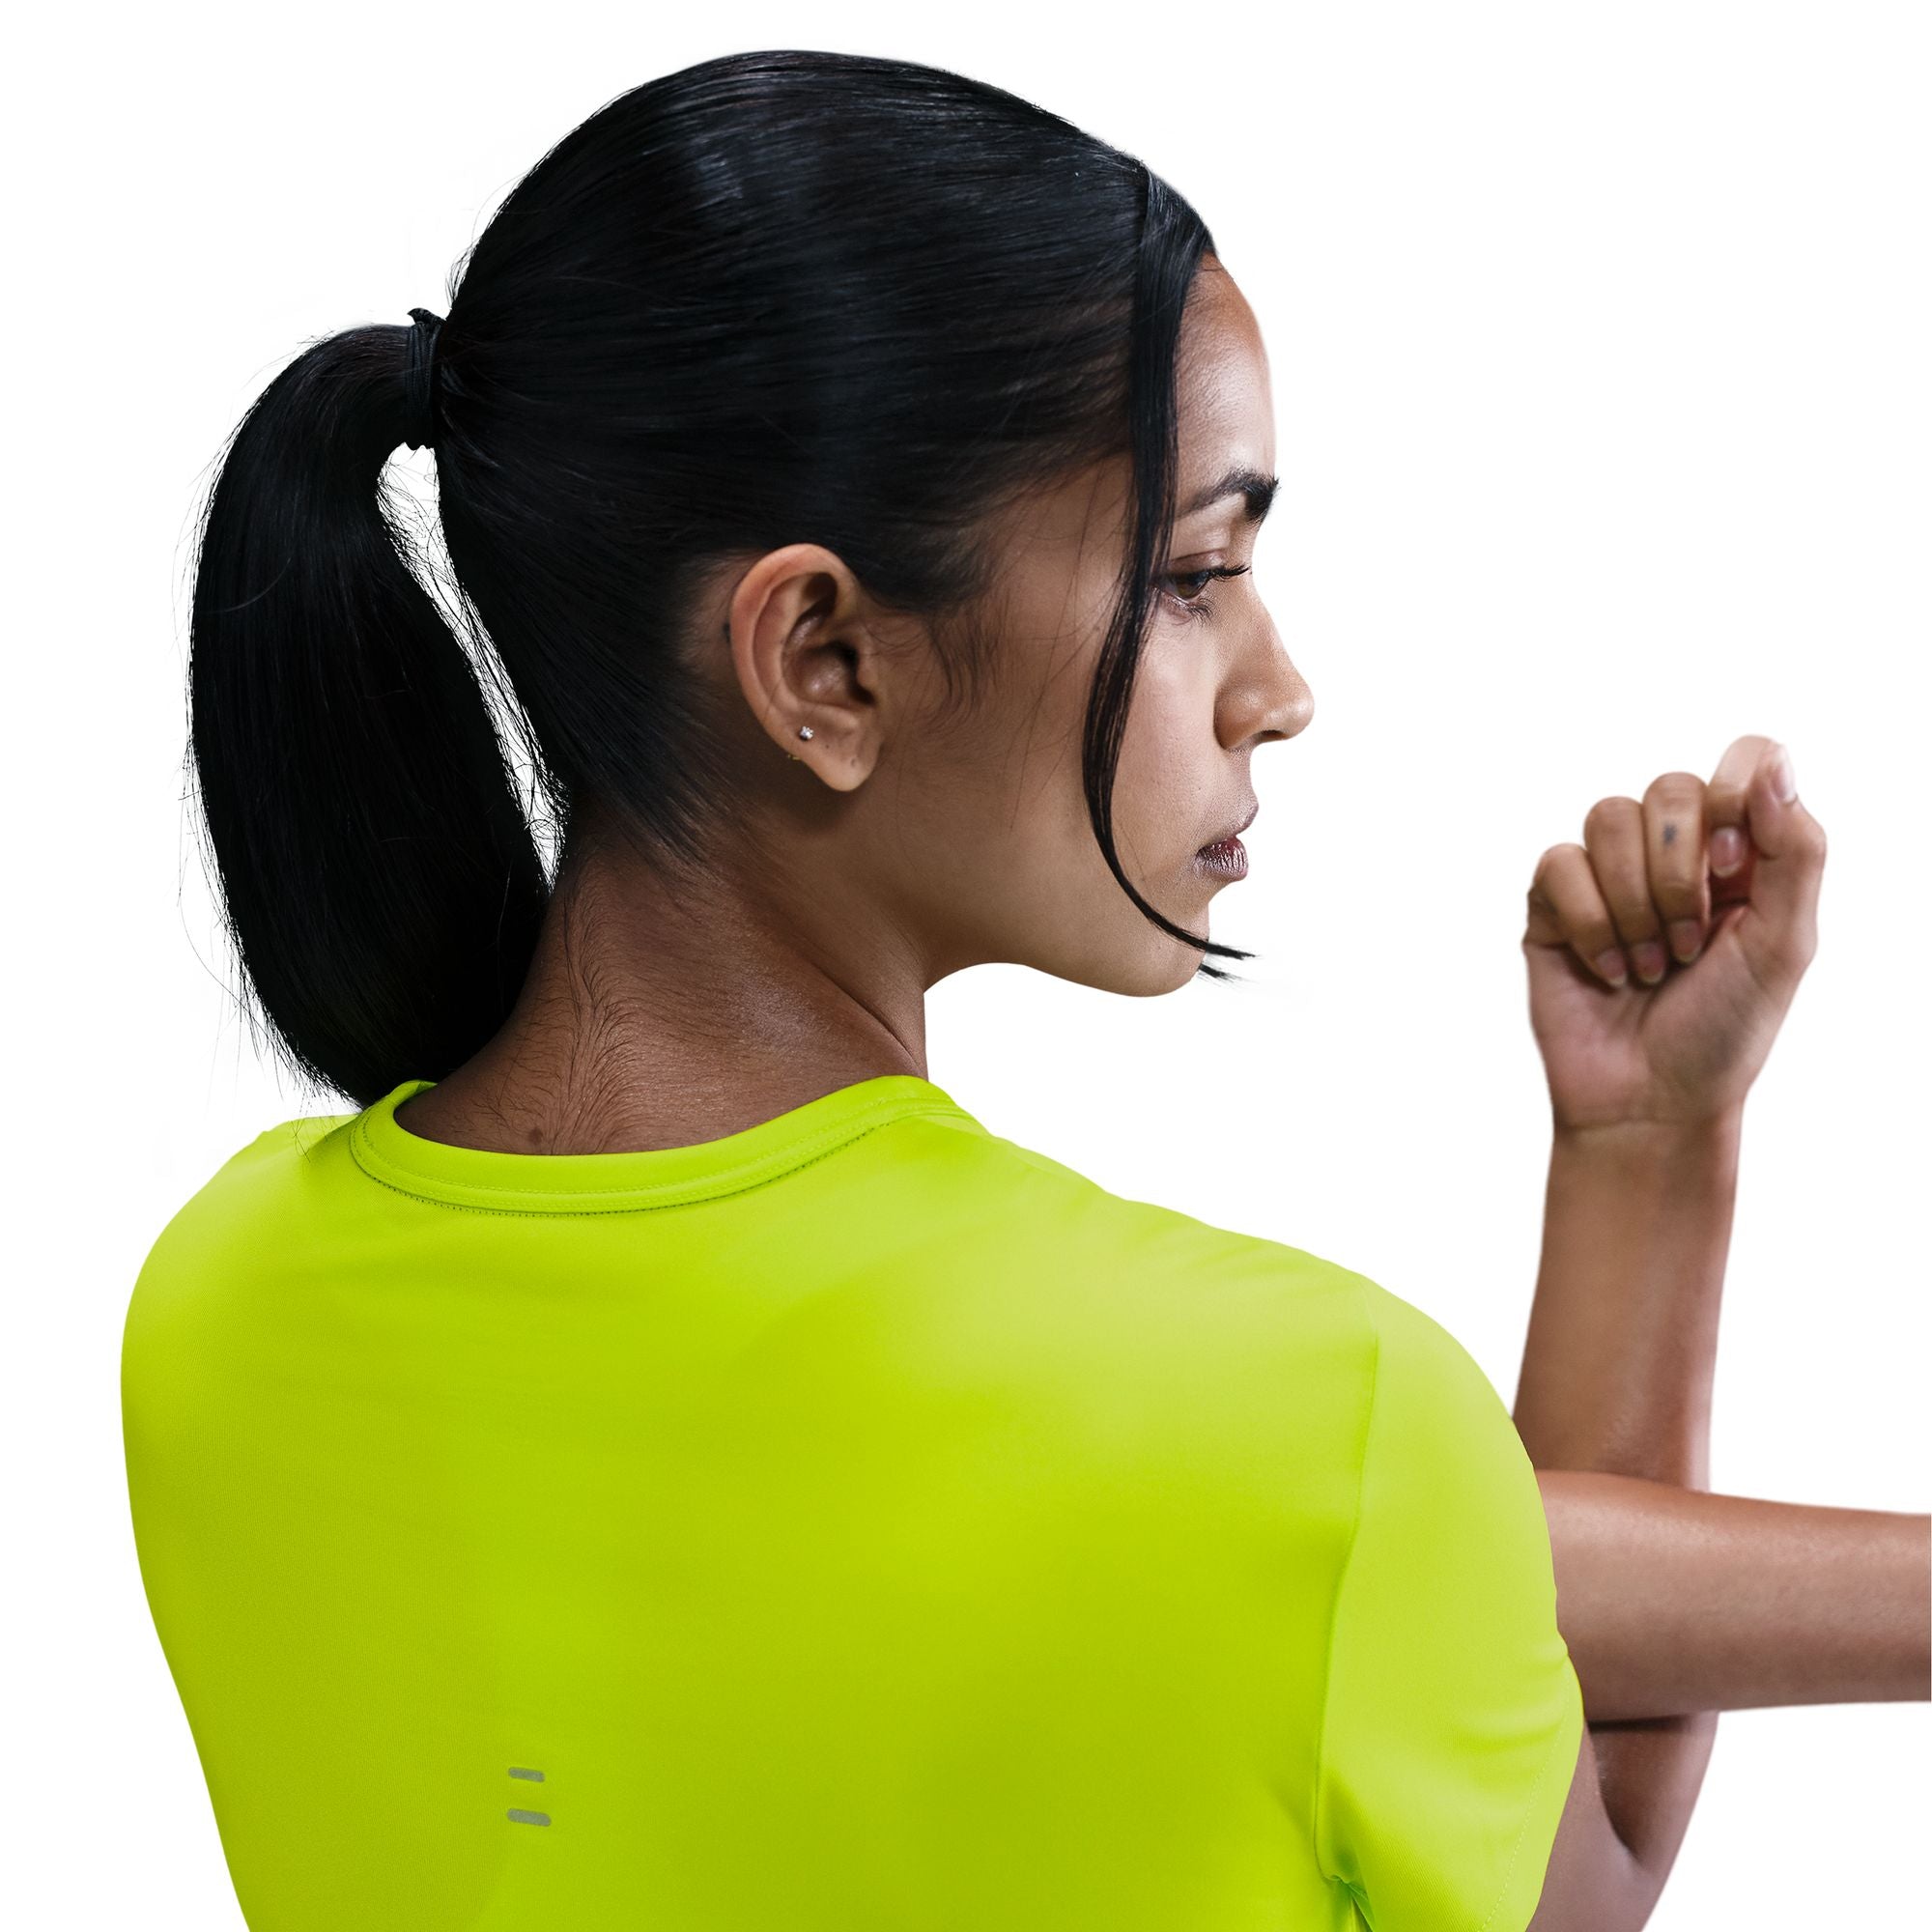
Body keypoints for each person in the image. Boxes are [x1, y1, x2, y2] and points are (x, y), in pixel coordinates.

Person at [121, 48, 1927, 1932]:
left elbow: (1365, 1585)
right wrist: (1656, 1161)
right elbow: (1564, 1839)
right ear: (823, 660)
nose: (1278, 686)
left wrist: (1639, 1128)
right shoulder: (1309, 1422)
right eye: (1192, 573)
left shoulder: (218, 1308)